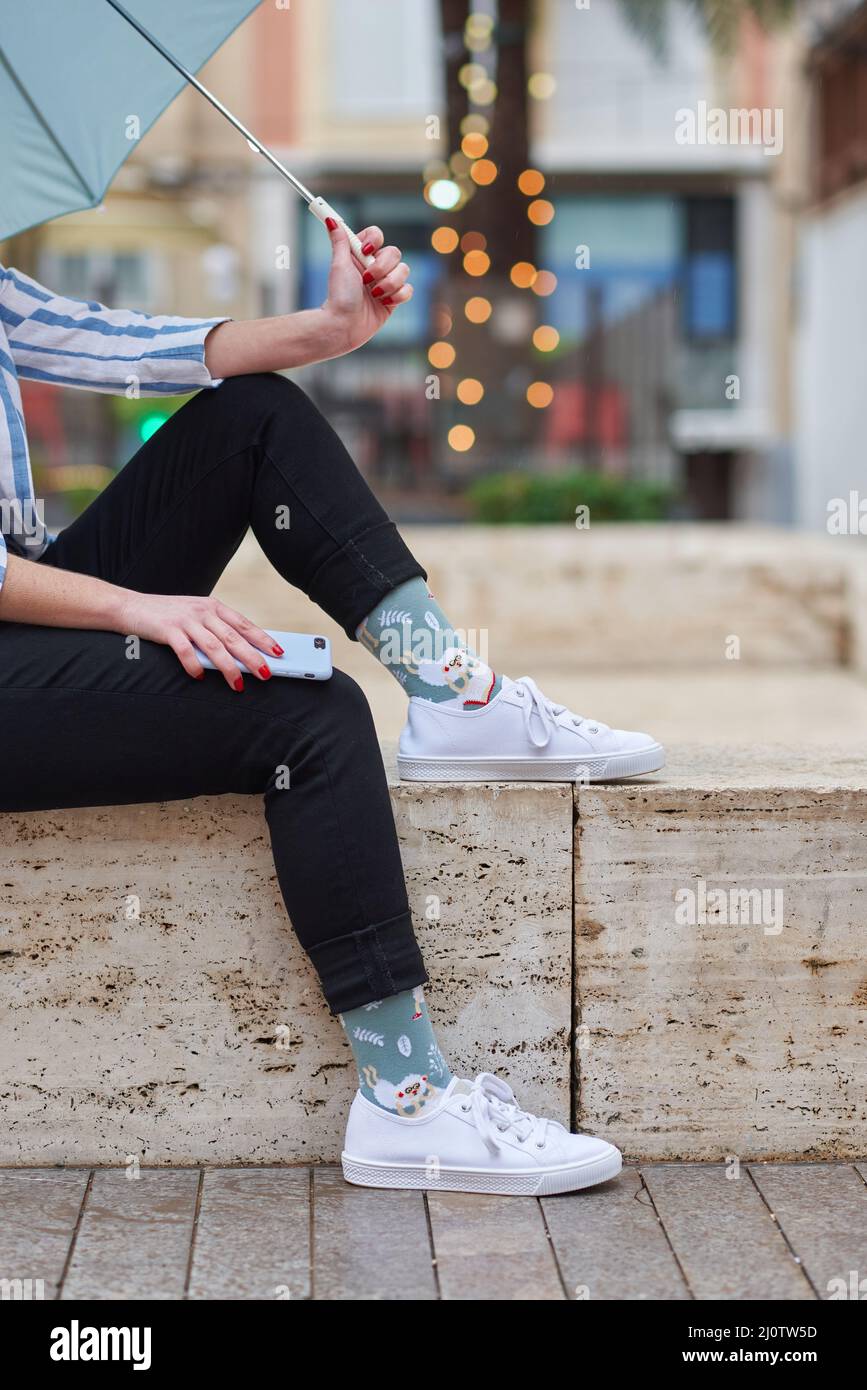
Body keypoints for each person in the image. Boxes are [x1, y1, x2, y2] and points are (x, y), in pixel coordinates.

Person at [0, 220, 663, 1194]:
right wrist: (135, 608)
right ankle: (407, 1102)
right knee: (310, 713)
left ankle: (452, 691)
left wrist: (335, 326)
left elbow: (136, 346)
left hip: (33, 609)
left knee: (252, 415)